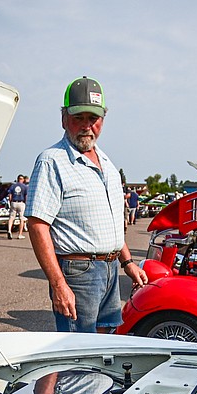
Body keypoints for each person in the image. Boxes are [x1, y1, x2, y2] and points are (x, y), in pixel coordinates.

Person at [26, 76, 148, 333]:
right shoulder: (52, 161)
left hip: (111, 270)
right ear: (63, 118)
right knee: (78, 354)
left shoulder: (108, 165)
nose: (86, 126)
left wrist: (128, 263)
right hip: (78, 273)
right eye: (78, 118)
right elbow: (38, 226)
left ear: (102, 119)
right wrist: (59, 284)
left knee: (104, 351)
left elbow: (113, 223)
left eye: (93, 119)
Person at [7, 174, 27, 239]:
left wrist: (10, 202)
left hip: (14, 202)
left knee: (11, 217)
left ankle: (9, 230)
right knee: (21, 219)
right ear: (23, 179)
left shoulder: (13, 186)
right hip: (21, 203)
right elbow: (26, 196)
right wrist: (25, 203)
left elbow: (10, 196)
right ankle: (20, 234)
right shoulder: (25, 187)